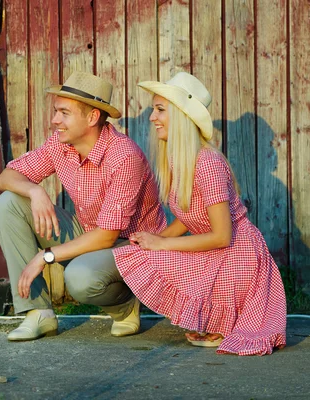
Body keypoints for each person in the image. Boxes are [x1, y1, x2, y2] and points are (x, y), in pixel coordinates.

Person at [113, 72, 287, 355]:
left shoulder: (207, 163)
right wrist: (153, 239)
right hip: (218, 249)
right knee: (138, 253)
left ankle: (224, 317)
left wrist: (162, 244)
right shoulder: (179, 160)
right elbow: (189, 215)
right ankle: (213, 317)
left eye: (160, 110)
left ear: (181, 116)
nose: (151, 118)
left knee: (154, 253)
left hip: (236, 254)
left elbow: (221, 236)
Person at [0, 71, 167, 341]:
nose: (55, 120)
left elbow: (108, 235)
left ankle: (124, 304)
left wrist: (45, 256)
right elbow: (5, 178)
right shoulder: (61, 145)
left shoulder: (124, 156)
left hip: (132, 245)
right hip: (88, 233)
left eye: (64, 112)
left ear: (92, 117)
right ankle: (38, 313)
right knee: (8, 203)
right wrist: (34, 190)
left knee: (80, 277)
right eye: (55, 111)